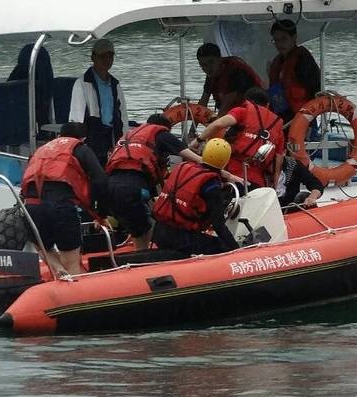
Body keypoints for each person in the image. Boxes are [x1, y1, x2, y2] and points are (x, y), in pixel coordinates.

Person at [103, 112, 207, 250]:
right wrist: (217, 169)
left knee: (135, 222)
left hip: (109, 187)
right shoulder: (161, 134)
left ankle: (134, 249)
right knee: (146, 228)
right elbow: (190, 155)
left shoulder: (129, 136)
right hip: (132, 188)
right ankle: (143, 257)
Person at [20, 121, 110, 276]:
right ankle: (70, 279)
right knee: (72, 263)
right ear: (83, 138)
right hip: (61, 207)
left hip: (32, 207)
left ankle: (58, 270)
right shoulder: (81, 149)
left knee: (42, 247)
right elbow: (101, 180)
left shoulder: (42, 150)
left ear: (59, 135)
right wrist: (101, 214)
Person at [151, 138, 241, 255]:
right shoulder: (211, 185)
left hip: (158, 232)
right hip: (181, 239)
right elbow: (218, 225)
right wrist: (236, 249)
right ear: (225, 160)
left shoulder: (183, 167)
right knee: (221, 246)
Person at [197, 87, 285, 192]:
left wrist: (198, 140)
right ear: (267, 105)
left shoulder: (242, 112)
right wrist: (274, 186)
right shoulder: (278, 127)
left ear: (246, 101)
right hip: (258, 183)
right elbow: (278, 164)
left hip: (232, 175)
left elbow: (218, 124)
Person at [69, 37, 126, 158]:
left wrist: (124, 140)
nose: (107, 60)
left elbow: (122, 115)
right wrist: (77, 144)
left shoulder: (115, 84)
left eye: (110, 56)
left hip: (112, 135)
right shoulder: (82, 83)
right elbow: (76, 115)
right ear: (93, 57)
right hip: (92, 136)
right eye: (102, 56)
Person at [266, 18, 321, 123]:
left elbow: (316, 87)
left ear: (294, 38)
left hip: (302, 118)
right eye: (276, 40)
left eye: (284, 39)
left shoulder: (303, 59)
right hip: (280, 117)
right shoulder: (277, 62)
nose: (280, 44)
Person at [196, 43, 264, 115]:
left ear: (220, 59)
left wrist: (213, 125)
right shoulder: (212, 74)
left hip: (255, 114)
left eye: (211, 62)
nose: (207, 68)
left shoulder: (236, 71)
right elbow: (203, 103)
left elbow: (226, 107)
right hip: (236, 115)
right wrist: (193, 126)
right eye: (203, 65)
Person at [8, 42, 54, 126]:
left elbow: (4, 89)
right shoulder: (47, 79)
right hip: (42, 124)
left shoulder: (18, 74)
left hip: (16, 122)